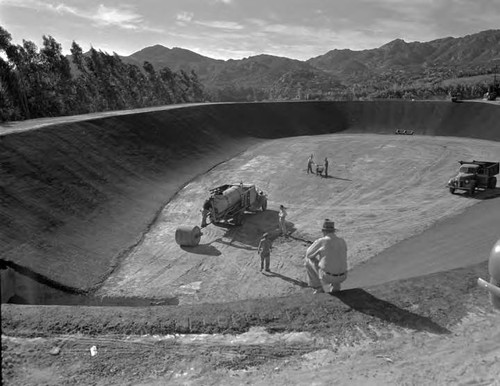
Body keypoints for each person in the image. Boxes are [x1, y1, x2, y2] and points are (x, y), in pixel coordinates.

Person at [305, 219, 347, 293]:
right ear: (334, 231)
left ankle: (318, 287)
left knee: (307, 260)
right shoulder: (342, 241)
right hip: (343, 276)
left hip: (327, 277)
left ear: (323, 231)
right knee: (335, 259)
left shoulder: (322, 241)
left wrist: (317, 252)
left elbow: (308, 254)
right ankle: (336, 286)